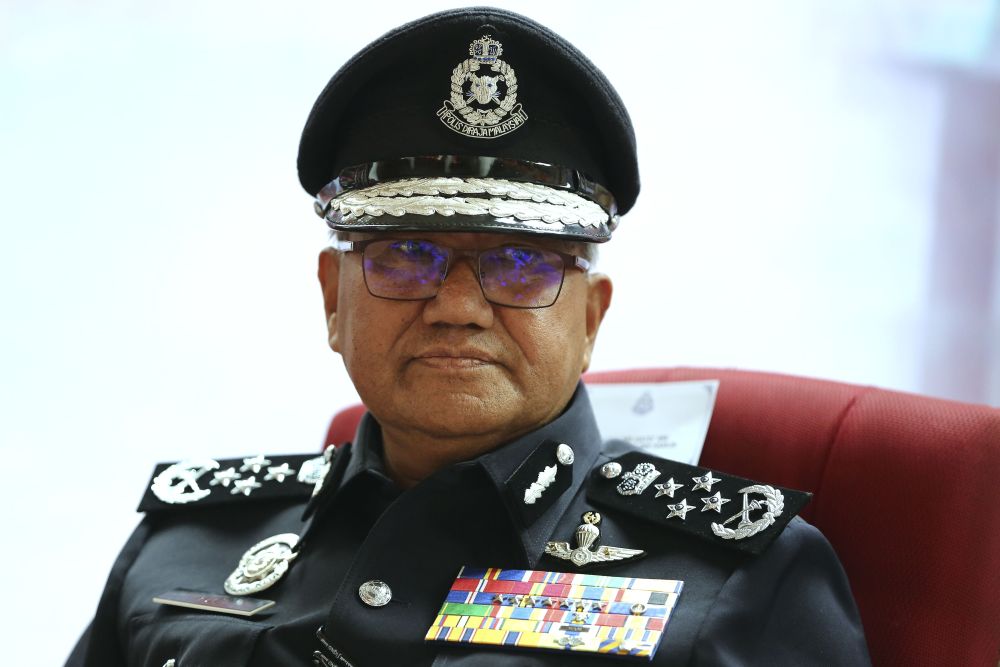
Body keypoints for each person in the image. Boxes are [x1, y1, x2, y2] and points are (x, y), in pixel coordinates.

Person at [67, 8, 870, 666]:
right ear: (331, 299)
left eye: (521, 264)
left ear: (590, 317)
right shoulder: (189, 544)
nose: (457, 305)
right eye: (406, 254)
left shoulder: (739, 582)